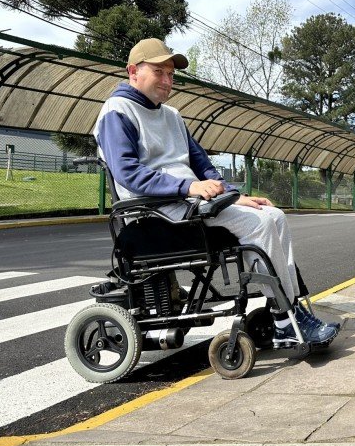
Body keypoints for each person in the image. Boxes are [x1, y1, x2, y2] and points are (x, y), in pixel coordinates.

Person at [93, 38, 338, 348]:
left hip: (190, 202)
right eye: (159, 72)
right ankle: (285, 320)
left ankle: (289, 310)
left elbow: (202, 164)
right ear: (133, 72)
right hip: (155, 211)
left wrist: (235, 196)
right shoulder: (118, 111)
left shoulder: (172, 116)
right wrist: (188, 186)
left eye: (171, 74)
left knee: (272, 215)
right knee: (258, 225)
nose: (168, 81)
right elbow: (128, 174)